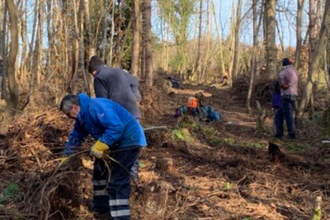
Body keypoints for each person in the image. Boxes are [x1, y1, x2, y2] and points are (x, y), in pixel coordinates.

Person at [61, 93, 147, 220]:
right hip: (114, 144)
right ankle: (102, 208)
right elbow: (76, 136)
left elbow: (116, 127)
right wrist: (66, 157)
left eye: (68, 114)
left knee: (117, 180)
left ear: (75, 107)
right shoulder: (82, 116)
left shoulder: (95, 107)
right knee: (99, 172)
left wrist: (100, 145)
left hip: (129, 141)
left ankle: (121, 216)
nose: (68, 117)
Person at [88, 55, 141, 183]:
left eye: (92, 74)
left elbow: (103, 104)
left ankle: (121, 180)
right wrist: (135, 96)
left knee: (119, 150)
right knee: (132, 147)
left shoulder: (99, 78)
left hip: (119, 119)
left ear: (93, 71)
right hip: (133, 115)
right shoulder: (119, 71)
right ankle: (134, 179)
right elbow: (135, 81)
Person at [275, 58, 299, 139]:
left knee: (288, 116)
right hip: (293, 94)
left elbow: (282, 84)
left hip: (287, 95)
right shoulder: (295, 71)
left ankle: (291, 135)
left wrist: (283, 85)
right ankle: (279, 133)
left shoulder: (284, 72)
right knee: (278, 115)